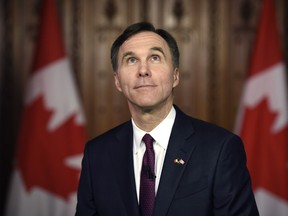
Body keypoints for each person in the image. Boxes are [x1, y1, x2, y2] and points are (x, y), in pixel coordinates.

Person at [75, 22, 259, 216]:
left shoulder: (220, 149)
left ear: (175, 76)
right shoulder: (97, 154)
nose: (143, 70)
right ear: (117, 81)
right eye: (131, 60)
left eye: (155, 58)